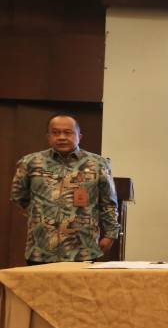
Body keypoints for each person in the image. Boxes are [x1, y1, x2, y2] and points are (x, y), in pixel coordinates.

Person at [11, 113, 119, 265]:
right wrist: (42, 213)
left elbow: (108, 202)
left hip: (83, 248)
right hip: (41, 249)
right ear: (48, 137)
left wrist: (110, 234)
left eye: (68, 132)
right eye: (56, 132)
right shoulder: (30, 162)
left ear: (79, 136)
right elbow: (18, 196)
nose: (62, 137)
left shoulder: (98, 164)